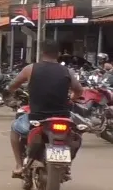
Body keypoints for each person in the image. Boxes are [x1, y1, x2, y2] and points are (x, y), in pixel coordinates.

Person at [7, 40, 83, 177]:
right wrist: (72, 98)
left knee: (14, 128)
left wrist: (12, 92)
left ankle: (19, 166)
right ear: (58, 54)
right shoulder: (67, 71)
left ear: (42, 52)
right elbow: (78, 90)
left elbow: (13, 85)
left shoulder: (30, 69)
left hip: (37, 118)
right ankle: (66, 165)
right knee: (77, 135)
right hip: (62, 117)